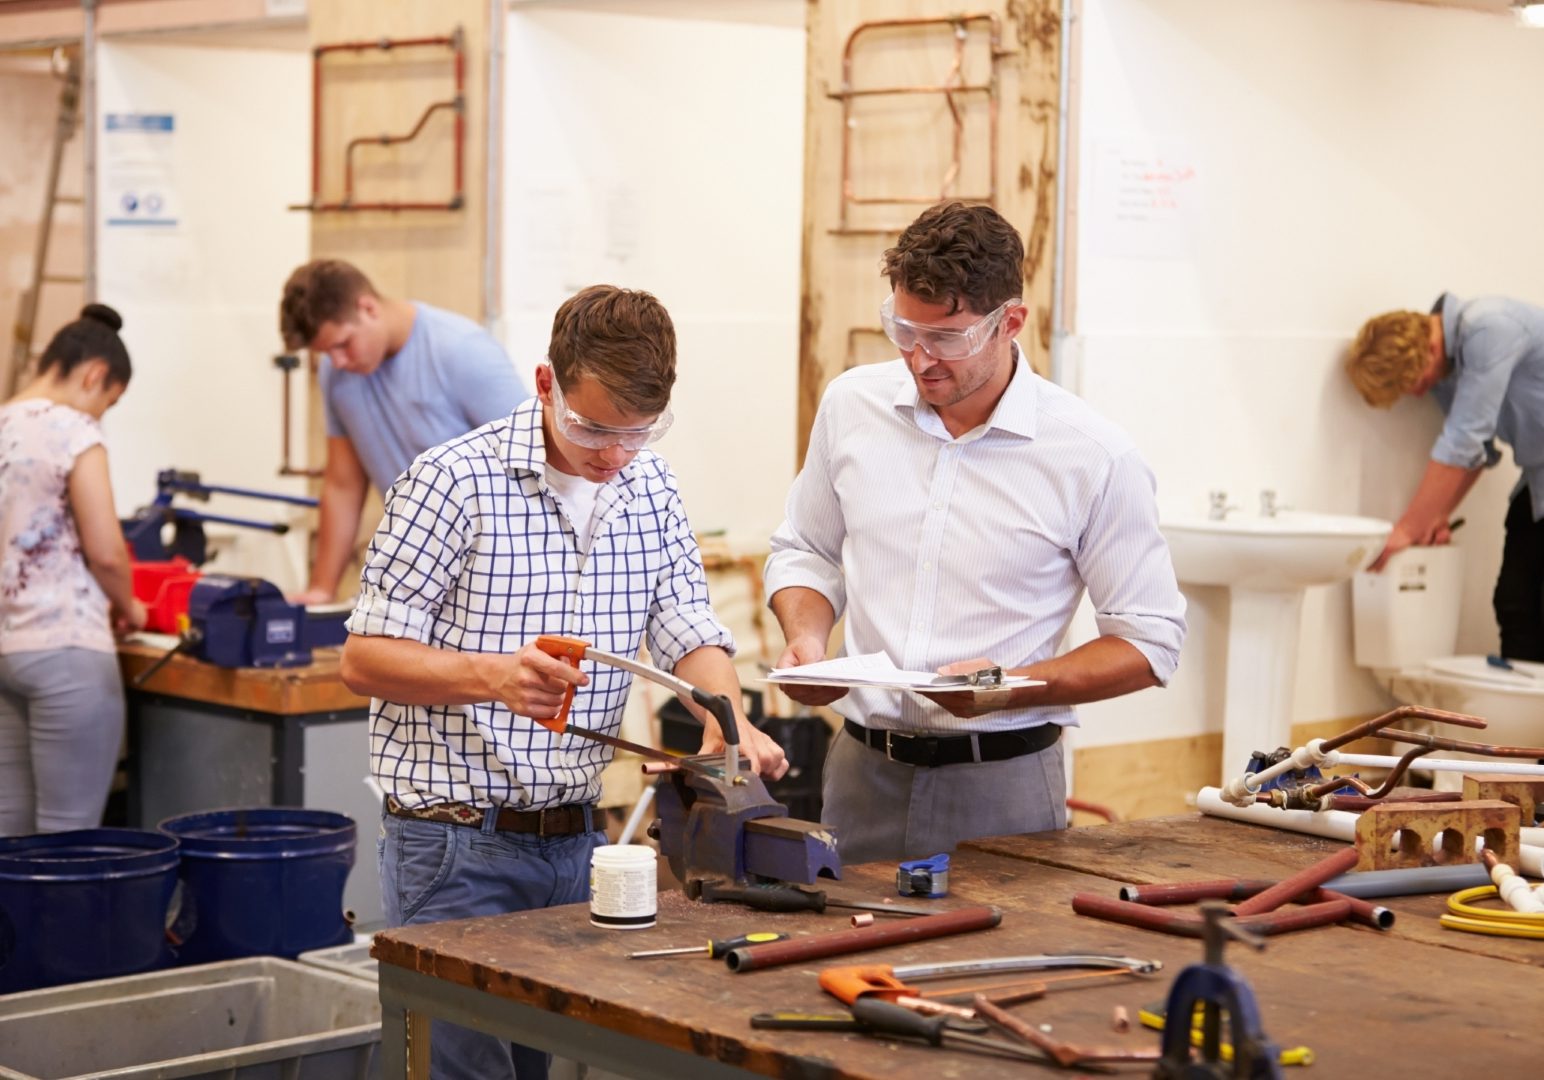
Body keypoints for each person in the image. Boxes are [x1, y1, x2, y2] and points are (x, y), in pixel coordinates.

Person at [339, 284, 787, 1080]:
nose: (613, 455)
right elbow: (364, 658)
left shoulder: (650, 488)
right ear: (545, 384)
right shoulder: (451, 482)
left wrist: (726, 715)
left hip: (574, 846)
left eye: (637, 432)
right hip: (453, 845)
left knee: (535, 1065)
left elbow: (690, 626)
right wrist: (494, 677)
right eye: (592, 428)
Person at [764, 202, 1187, 865]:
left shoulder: (1091, 455)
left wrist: (1015, 684)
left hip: (1004, 783)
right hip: (861, 773)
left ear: (1009, 323)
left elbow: (1149, 641)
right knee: (845, 956)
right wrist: (808, 639)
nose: (920, 359)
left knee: (998, 969)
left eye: (948, 338)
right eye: (903, 330)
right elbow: (807, 550)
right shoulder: (853, 406)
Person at [278, 259, 529, 604]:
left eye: (342, 345)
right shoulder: (336, 376)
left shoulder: (463, 350)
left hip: (491, 566)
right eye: (325, 353)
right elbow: (342, 485)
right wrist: (322, 589)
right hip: (414, 563)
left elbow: (533, 462)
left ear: (367, 308)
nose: (337, 362)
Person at [0, 304, 146, 836]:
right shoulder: (73, 430)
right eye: (108, 401)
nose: (101, 415)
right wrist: (131, 607)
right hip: (66, 653)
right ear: (94, 375)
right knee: (70, 837)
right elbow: (105, 550)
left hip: (7, 650)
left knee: (10, 835)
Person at [1346, 293, 1544, 660]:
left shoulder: (1489, 328)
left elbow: (1463, 441)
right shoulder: (1449, 369)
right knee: (1515, 604)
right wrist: (1436, 517)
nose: (1419, 392)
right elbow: (1476, 452)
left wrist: (1407, 528)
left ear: (1429, 352)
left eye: (1415, 384)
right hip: (1537, 480)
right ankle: (1531, 717)